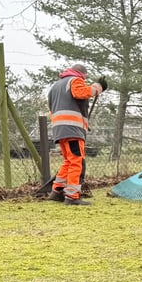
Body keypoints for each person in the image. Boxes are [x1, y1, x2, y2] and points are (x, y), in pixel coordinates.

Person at [46, 64, 106, 206]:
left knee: (69, 160)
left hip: (59, 129)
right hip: (72, 128)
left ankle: (57, 191)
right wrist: (98, 87)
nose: (84, 80)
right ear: (82, 74)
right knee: (76, 162)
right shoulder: (75, 80)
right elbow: (81, 93)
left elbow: (51, 108)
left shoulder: (55, 86)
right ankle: (72, 196)